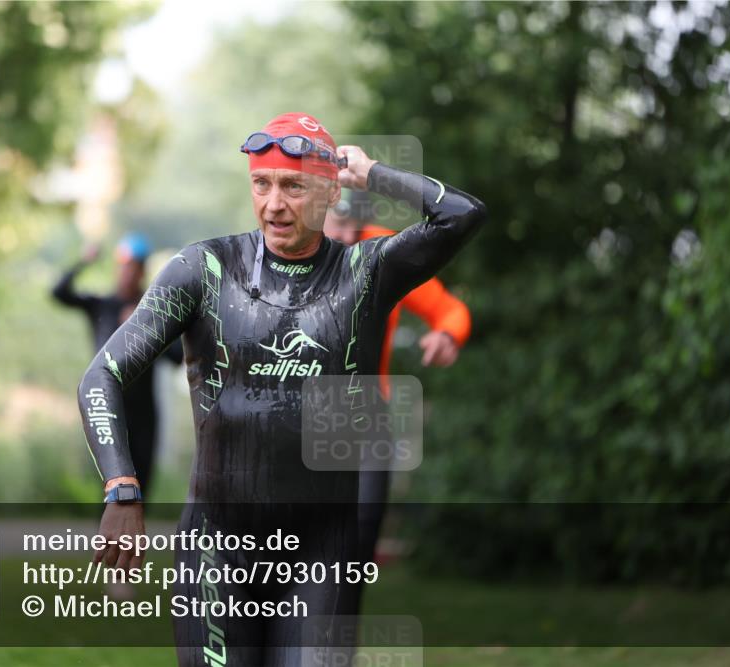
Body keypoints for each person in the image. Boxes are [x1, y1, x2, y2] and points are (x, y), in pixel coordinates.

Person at [78, 112, 486, 666]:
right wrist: (121, 488)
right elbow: (102, 374)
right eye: (261, 184)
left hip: (322, 552)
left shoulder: (367, 270)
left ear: (326, 190)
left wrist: (370, 174)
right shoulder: (204, 269)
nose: (274, 204)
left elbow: (461, 215)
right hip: (216, 548)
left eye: (293, 186)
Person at [324, 188, 472, 608]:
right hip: (297, 419)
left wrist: (446, 333)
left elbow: (449, 309)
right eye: (333, 225)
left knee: (357, 543)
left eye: (351, 227)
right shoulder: (290, 252)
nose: (342, 238)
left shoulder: (383, 251)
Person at [53, 233, 183, 498]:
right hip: (107, 408)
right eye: (123, 266)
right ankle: (108, 539)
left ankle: (132, 540)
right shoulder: (102, 305)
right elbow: (59, 293)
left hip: (144, 412)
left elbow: (178, 357)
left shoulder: (152, 311)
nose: (127, 273)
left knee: (140, 488)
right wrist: (84, 261)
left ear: (143, 271)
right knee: (113, 489)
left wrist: (144, 328)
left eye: (133, 267)